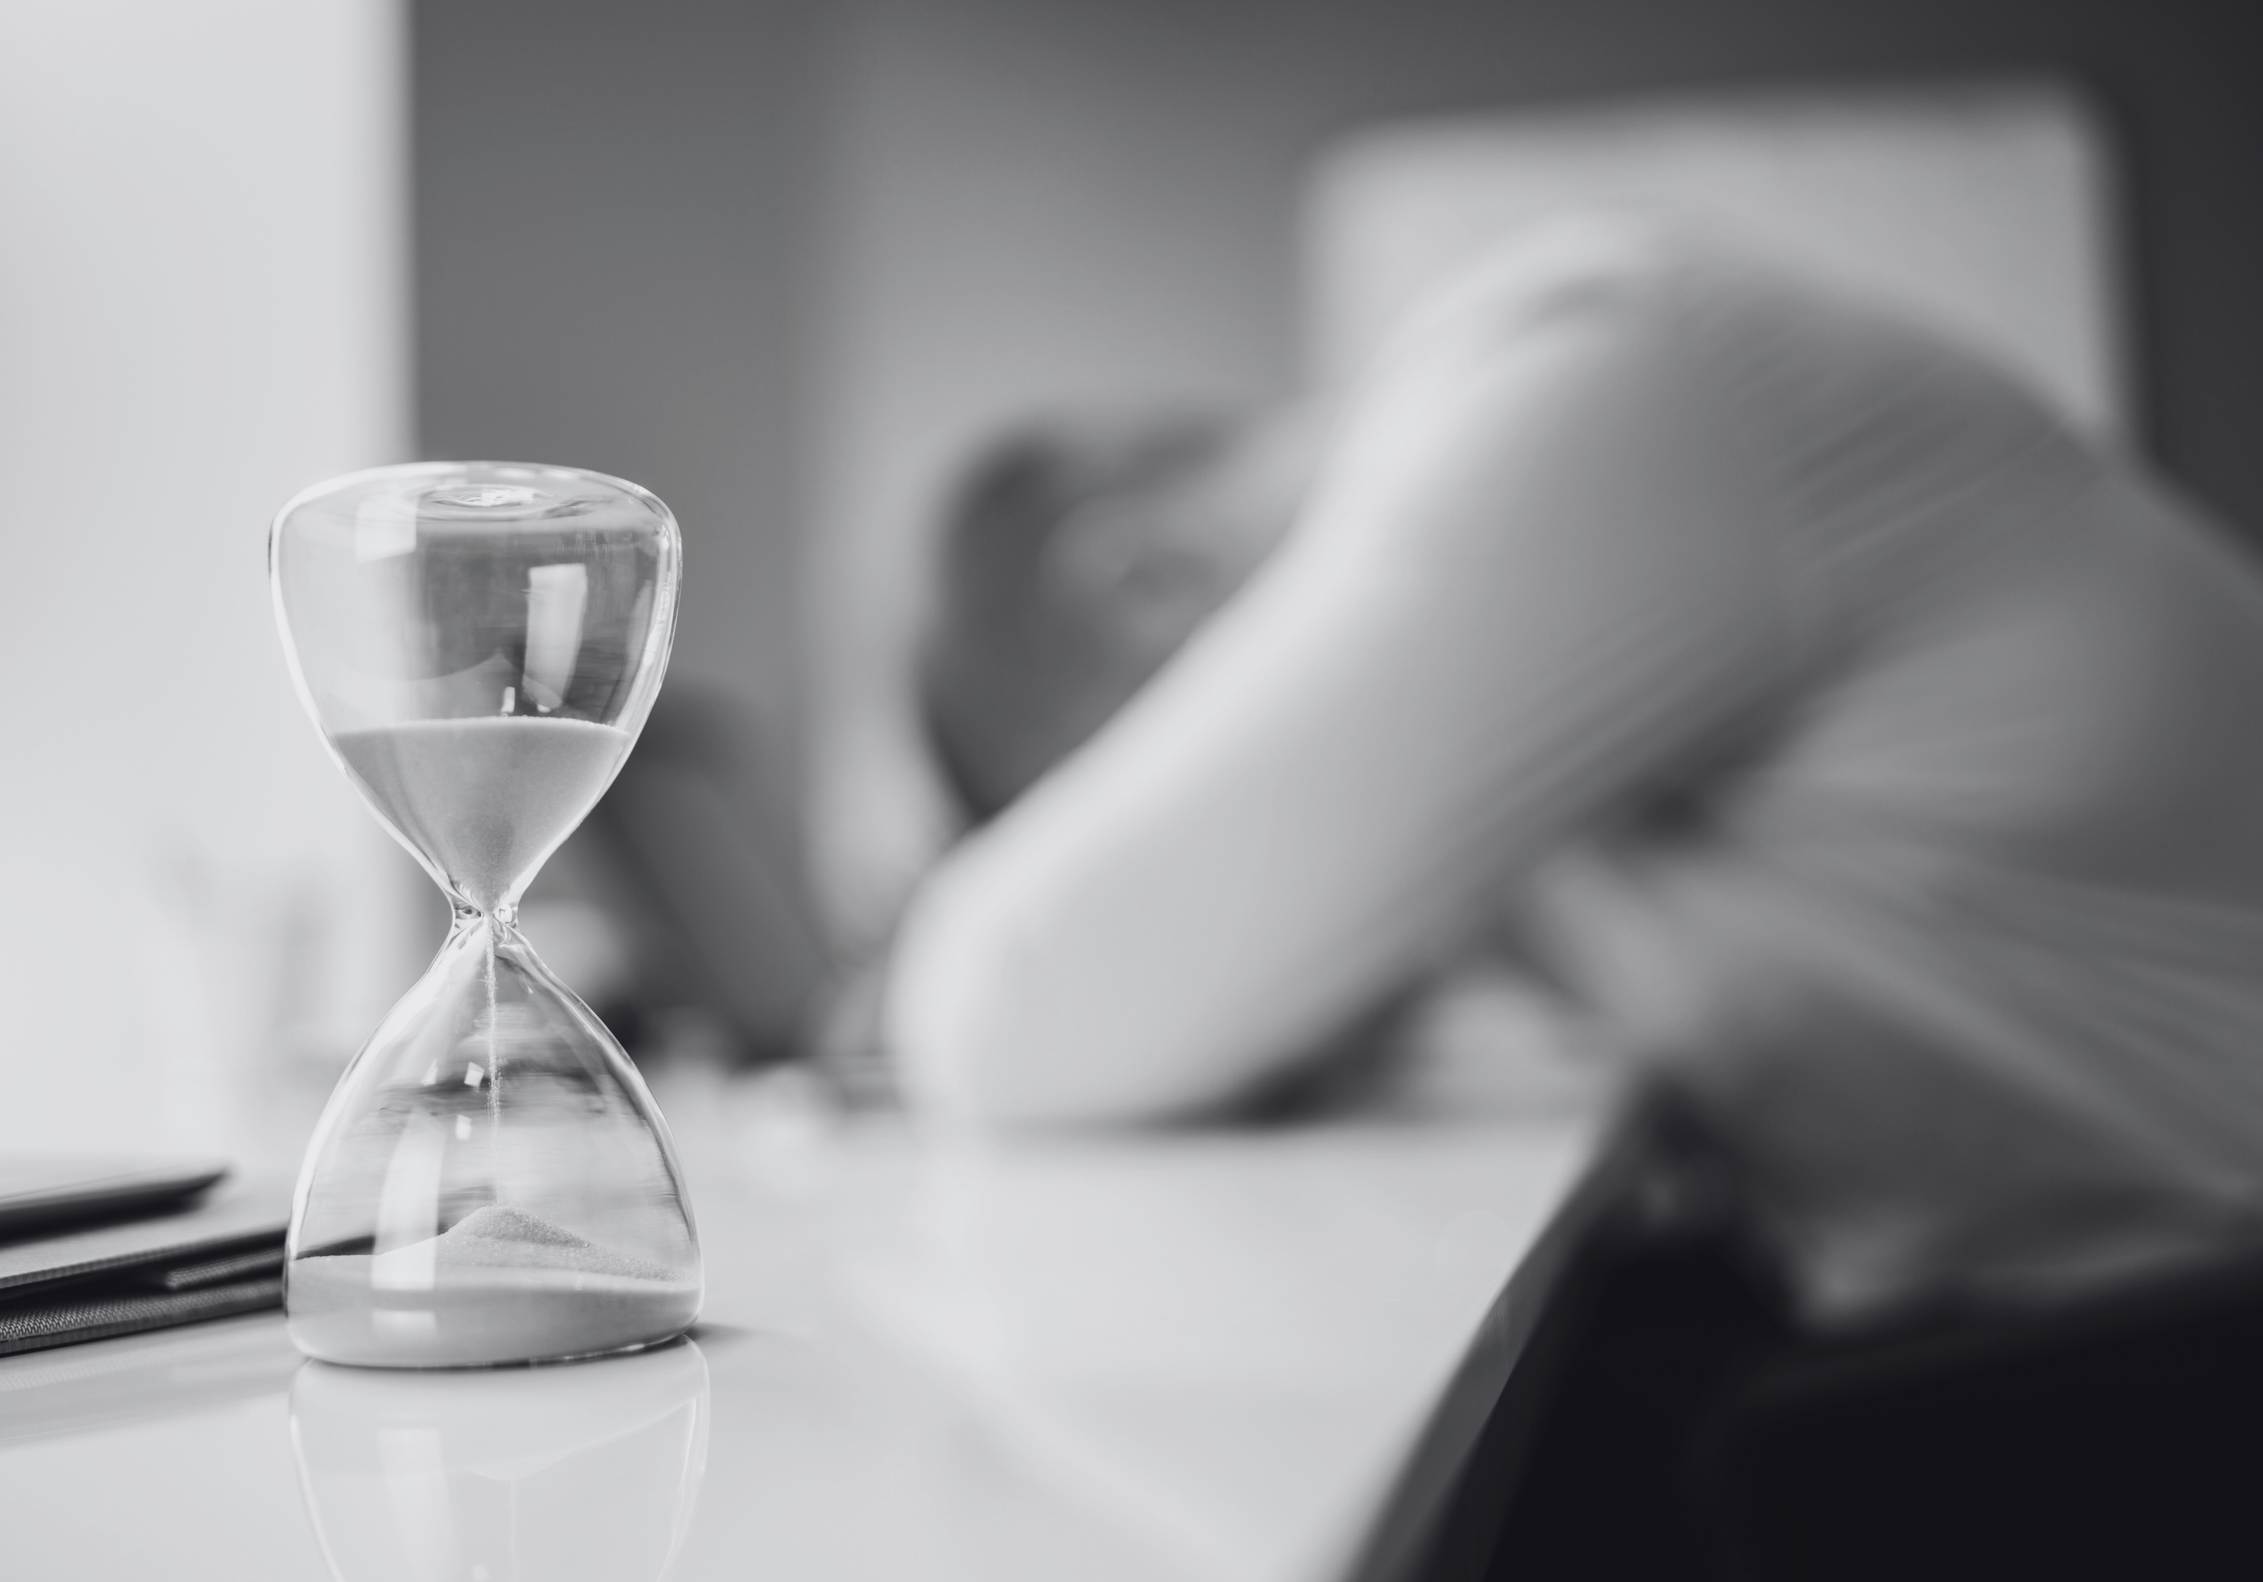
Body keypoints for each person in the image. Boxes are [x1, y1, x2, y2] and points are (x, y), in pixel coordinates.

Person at [885, 218, 2263, 1325]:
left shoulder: (1604, 375)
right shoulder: (1568, 675)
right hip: (2107, 1306)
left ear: (1138, 574)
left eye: (1134, 773)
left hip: (2182, 1333)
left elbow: (1021, 1010)